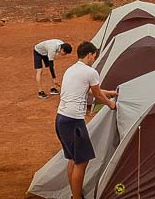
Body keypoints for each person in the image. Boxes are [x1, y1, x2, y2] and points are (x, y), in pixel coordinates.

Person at [56, 42, 117, 199]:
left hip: (61, 119)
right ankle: (77, 197)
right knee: (82, 162)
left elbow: (89, 89)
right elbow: (96, 95)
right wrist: (111, 104)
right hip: (74, 121)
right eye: (94, 57)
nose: (94, 60)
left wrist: (108, 92)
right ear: (90, 54)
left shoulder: (71, 70)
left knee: (73, 159)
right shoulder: (90, 72)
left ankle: (75, 195)